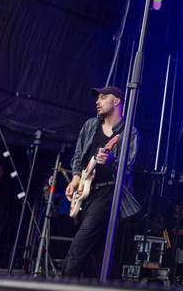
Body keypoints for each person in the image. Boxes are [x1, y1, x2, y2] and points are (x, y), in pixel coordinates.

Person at [62, 86, 141, 278]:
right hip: (87, 193)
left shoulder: (128, 131)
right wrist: (75, 179)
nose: (97, 101)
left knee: (79, 245)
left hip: (109, 193)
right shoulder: (90, 125)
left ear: (116, 101)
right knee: (95, 253)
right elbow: (79, 155)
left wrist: (112, 161)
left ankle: (61, 284)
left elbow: (128, 166)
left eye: (103, 97)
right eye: (97, 98)